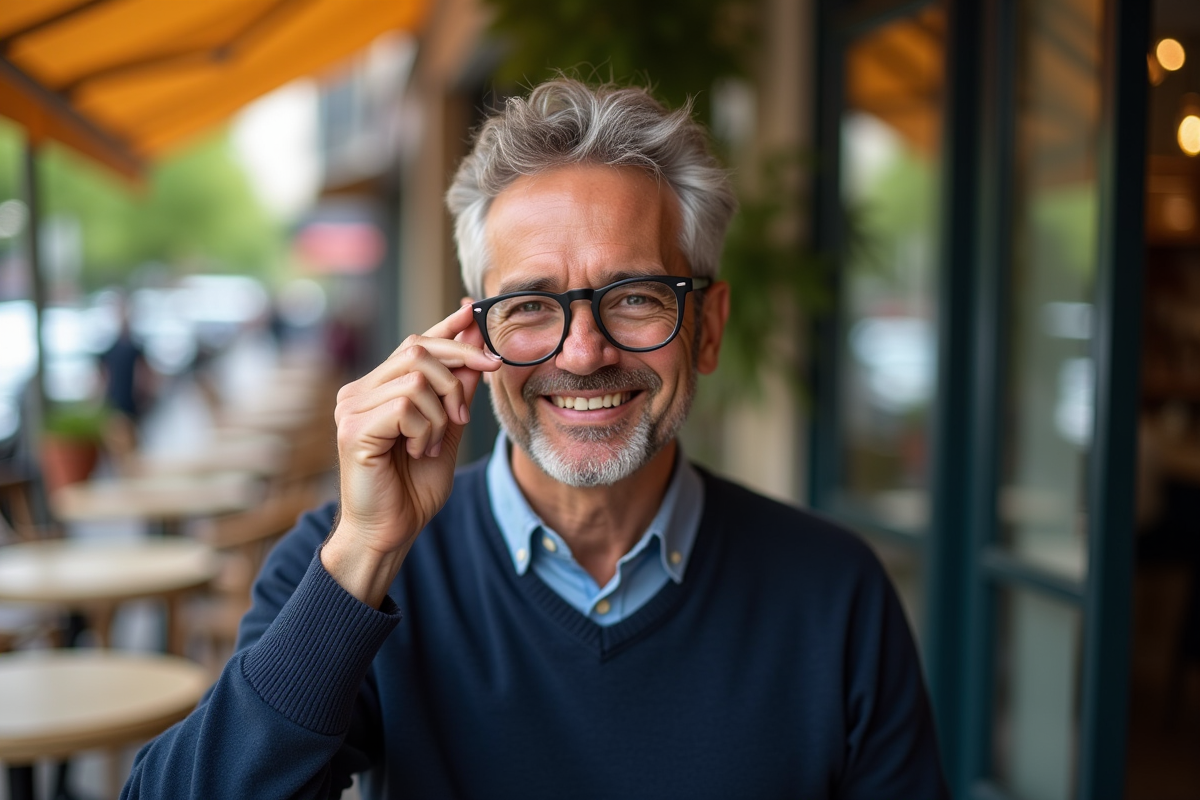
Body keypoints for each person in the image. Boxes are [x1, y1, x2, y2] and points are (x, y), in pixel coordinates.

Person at [122, 79, 948, 799]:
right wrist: (366, 552)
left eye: (634, 297)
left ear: (707, 328)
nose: (585, 352)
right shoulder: (347, 569)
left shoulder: (835, 592)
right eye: (528, 306)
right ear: (469, 339)